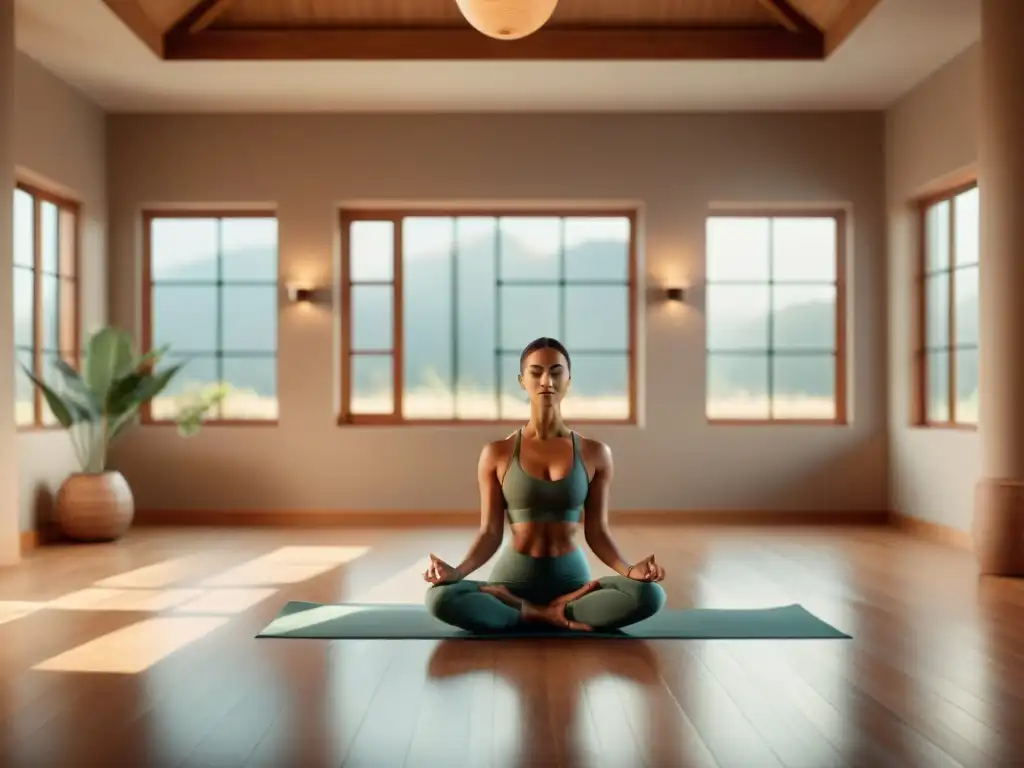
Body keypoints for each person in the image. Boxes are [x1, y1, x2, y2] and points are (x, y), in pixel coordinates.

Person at [423, 336, 666, 633]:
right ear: (522, 381)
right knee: (439, 598)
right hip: (511, 584)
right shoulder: (497, 453)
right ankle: (544, 614)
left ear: (568, 379)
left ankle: (532, 613)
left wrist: (630, 570)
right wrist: (456, 572)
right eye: (536, 372)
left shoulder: (595, 453)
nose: (546, 380)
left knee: (650, 594)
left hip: (573, 586)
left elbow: (597, 532)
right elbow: (489, 532)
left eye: (556, 371)